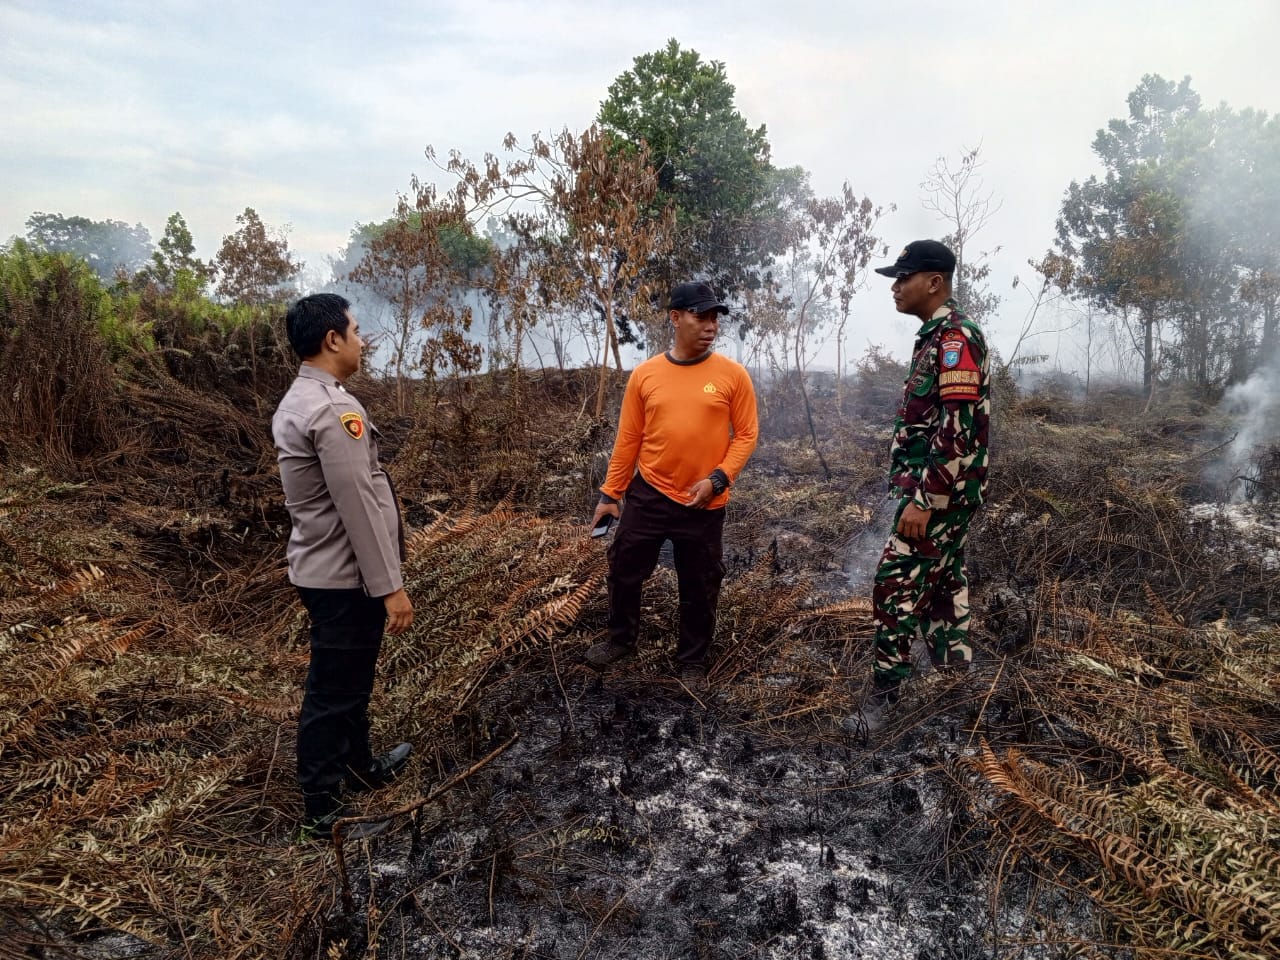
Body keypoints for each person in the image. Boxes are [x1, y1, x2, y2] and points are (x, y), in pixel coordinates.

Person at [273, 292, 415, 839]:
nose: (362, 341)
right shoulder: (335, 409)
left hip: (325, 570)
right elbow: (357, 504)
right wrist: (390, 587)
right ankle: (322, 810)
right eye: (355, 331)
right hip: (345, 577)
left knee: (351, 683)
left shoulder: (303, 398)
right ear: (332, 340)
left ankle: (360, 766)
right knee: (333, 692)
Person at [585, 281, 759, 686]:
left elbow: (747, 434)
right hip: (649, 493)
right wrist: (610, 494)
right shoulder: (646, 375)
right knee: (624, 569)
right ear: (675, 318)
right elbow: (628, 438)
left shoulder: (733, 376)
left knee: (700, 583)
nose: (711, 326)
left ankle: (692, 661)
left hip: (704, 503)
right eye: (701, 316)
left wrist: (717, 479)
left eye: (715, 318)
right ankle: (620, 640)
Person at [848, 240, 991, 735]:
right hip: (945, 494)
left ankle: (884, 701)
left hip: (938, 497)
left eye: (903, 277)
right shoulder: (937, 337)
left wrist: (925, 501)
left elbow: (958, 428)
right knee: (945, 591)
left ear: (934, 282)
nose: (894, 287)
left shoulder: (956, 339)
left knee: (893, 585)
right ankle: (957, 694)